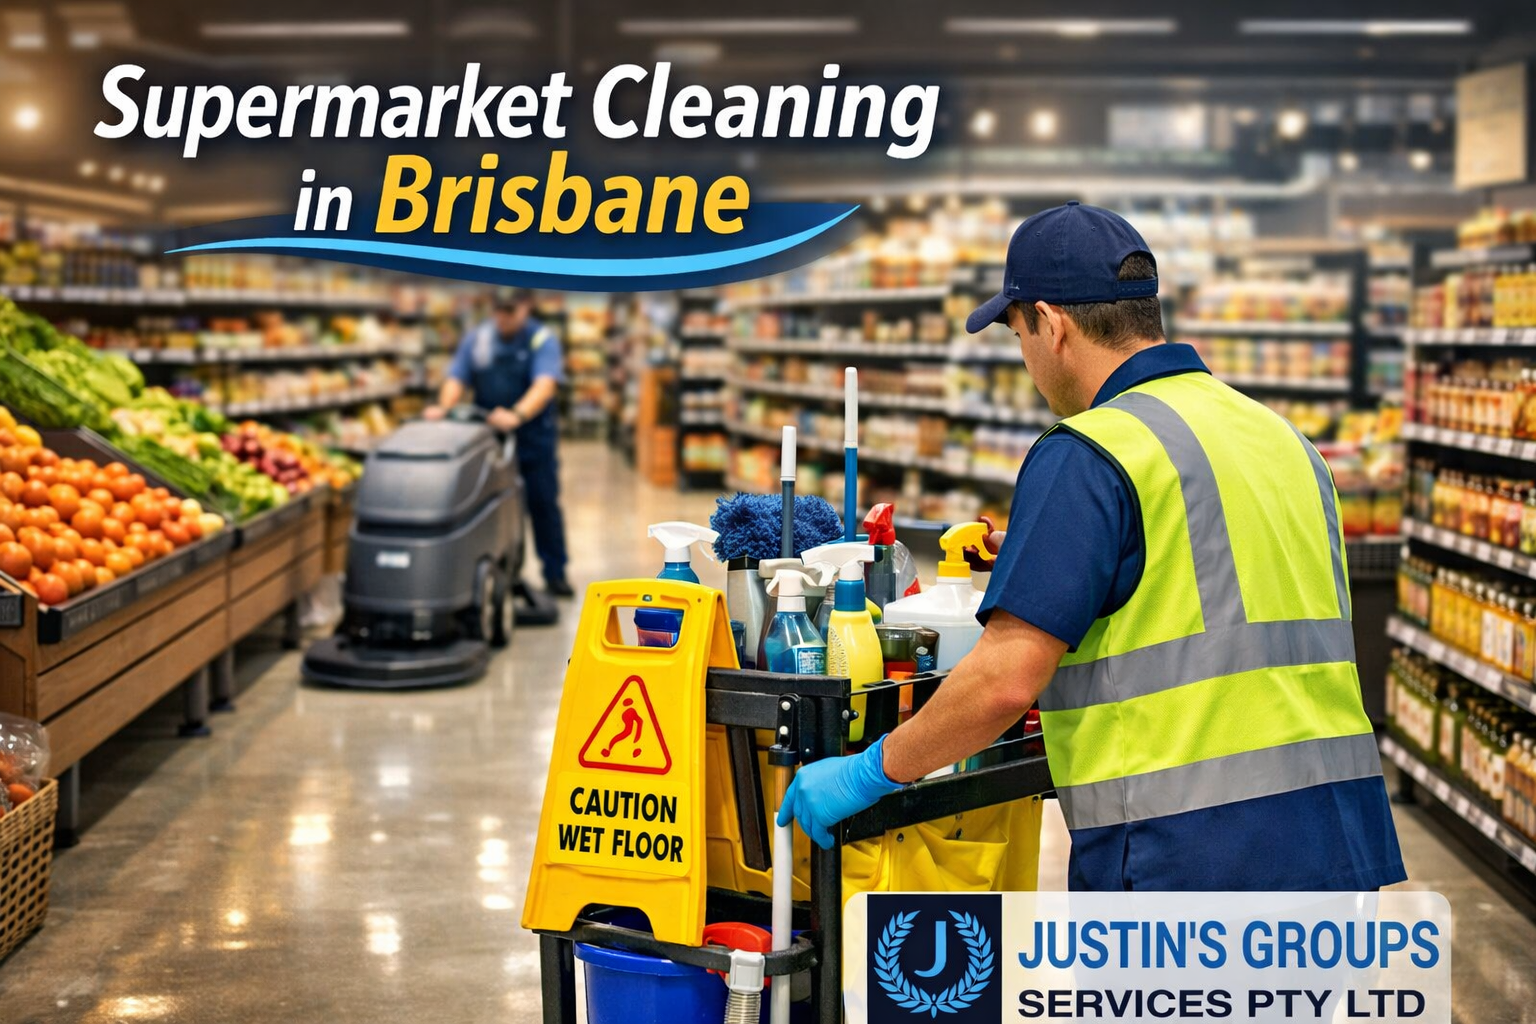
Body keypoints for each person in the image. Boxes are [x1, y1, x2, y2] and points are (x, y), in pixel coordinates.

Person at [777, 202, 1406, 891]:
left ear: (1051, 324)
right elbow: (1226, 574)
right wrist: (1050, 556)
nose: (1026, 360)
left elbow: (1004, 683)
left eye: (1018, 334)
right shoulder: (1282, 438)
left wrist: (870, 773)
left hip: (1190, 859)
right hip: (1336, 846)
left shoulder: (1091, 452)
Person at [425, 288, 572, 597]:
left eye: (510, 310)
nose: (502, 317)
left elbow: (545, 385)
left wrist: (518, 414)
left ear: (526, 307)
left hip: (533, 440)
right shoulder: (479, 339)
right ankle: (495, 573)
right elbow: (457, 377)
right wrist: (445, 407)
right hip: (490, 442)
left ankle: (555, 573)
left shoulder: (541, 339)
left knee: (543, 505)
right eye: (498, 310)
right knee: (489, 508)